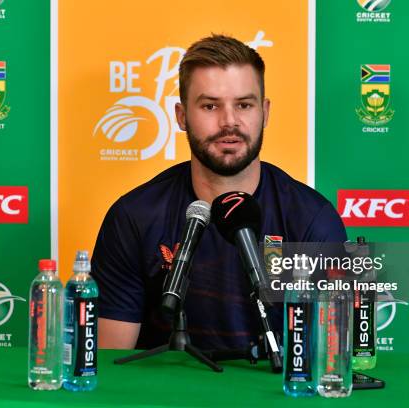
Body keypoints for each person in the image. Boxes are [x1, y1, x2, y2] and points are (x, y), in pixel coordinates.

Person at [91, 34, 347, 351]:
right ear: (182, 116)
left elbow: (330, 359)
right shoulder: (134, 217)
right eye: (210, 105)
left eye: (244, 105)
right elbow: (113, 365)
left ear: (264, 112)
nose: (229, 122)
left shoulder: (312, 220)